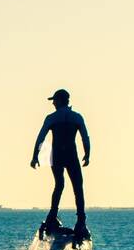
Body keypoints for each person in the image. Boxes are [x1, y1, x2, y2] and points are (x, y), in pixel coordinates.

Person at [30, 88, 91, 242]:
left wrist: (35, 156)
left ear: (60, 101)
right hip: (71, 155)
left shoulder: (51, 118)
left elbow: (41, 138)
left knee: (59, 185)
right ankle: (81, 221)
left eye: (54, 101)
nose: (53, 104)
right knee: (78, 186)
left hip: (57, 155)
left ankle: (52, 217)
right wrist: (87, 154)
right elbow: (85, 137)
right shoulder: (76, 117)